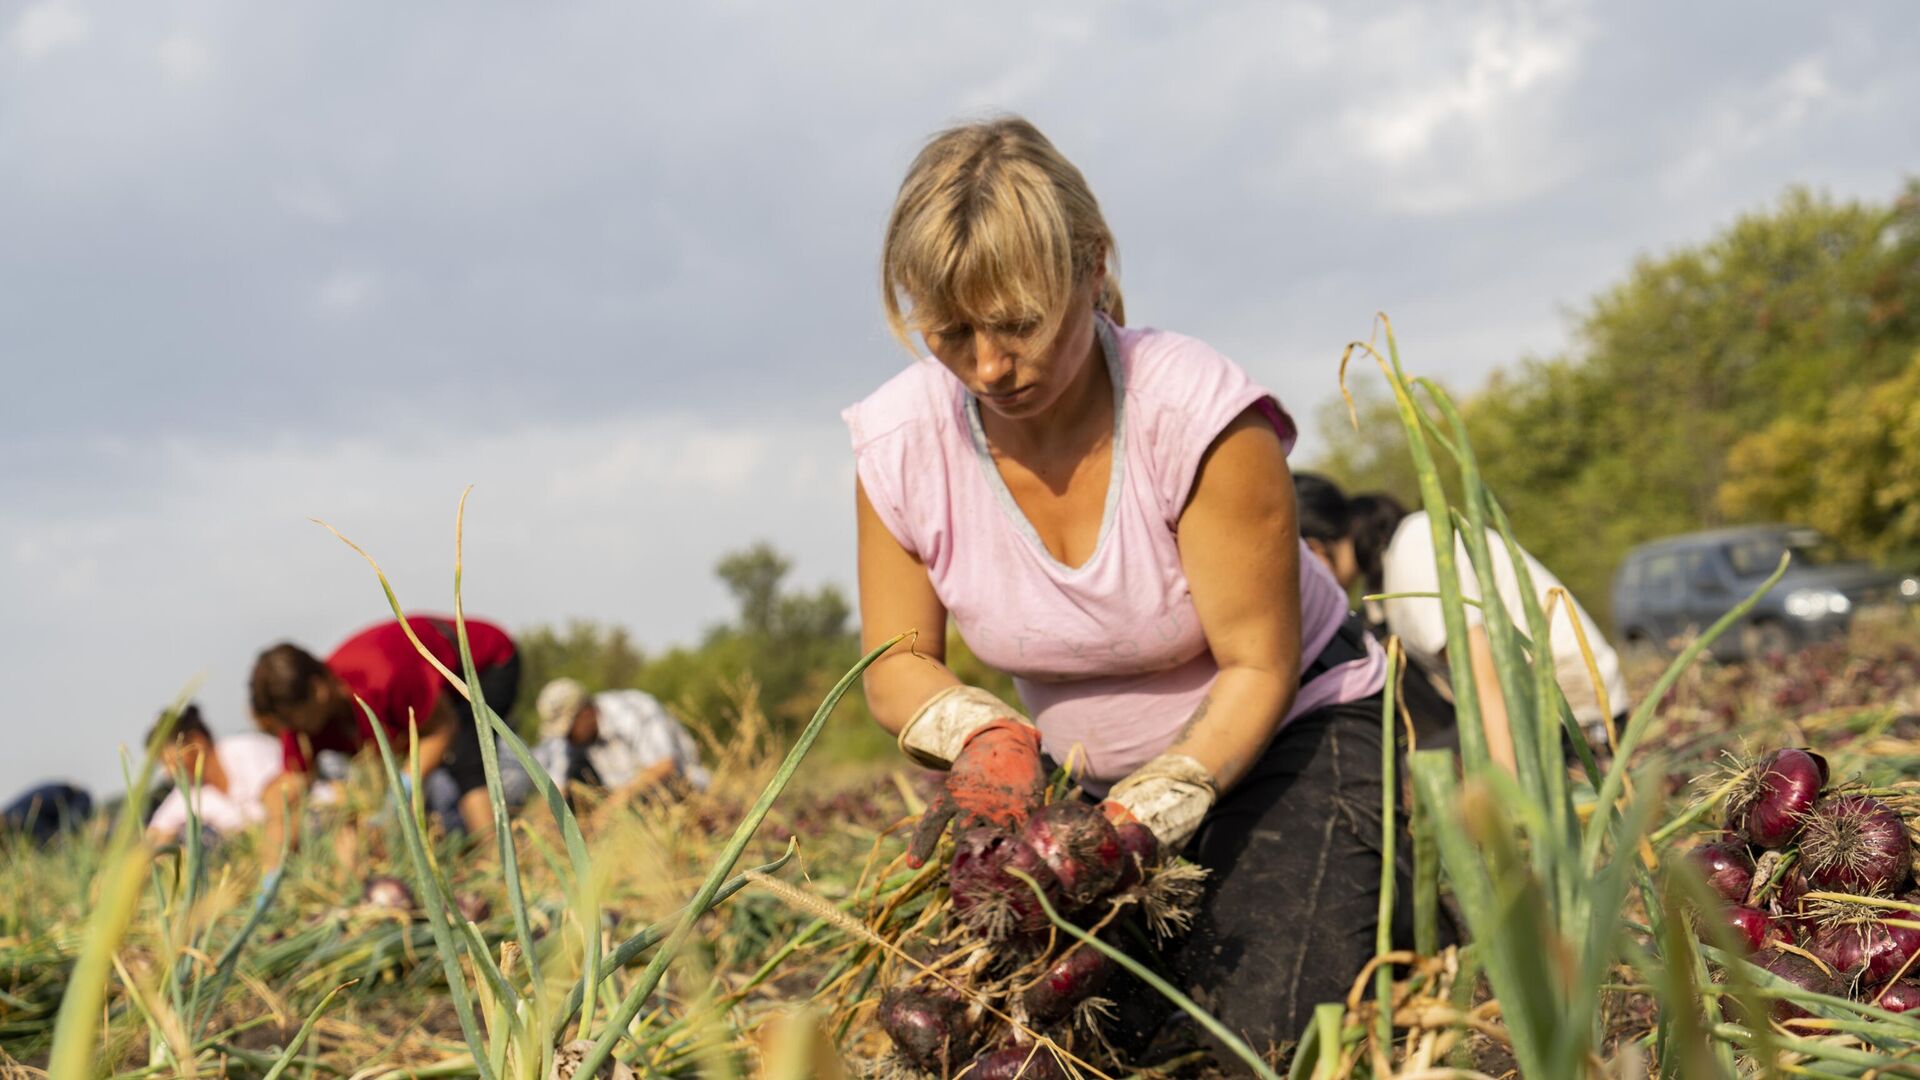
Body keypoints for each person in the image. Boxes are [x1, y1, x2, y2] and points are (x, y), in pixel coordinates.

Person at [844, 116, 1416, 1057]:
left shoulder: (1196, 414)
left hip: (1288, 741)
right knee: (1027, 1040)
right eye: (951, 333)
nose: (989, 366)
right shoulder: (899, 445)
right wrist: (980, 733)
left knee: (1241, 1046)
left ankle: (1373, 875)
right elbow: (895, 665)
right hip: (1077, 800)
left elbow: (1256, 669)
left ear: (1092, 265)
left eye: (1019, 323)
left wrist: (1147, 815)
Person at [1296, 475, 1627, 769]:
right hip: (1525, 714)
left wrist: (1512, 800)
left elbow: (1484, 679)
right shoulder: (1382, 586)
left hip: (1576, 721)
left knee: (1401, 774)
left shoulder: (1415, 552)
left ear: (1312, 551)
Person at [250, 614, 520, 853]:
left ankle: (497, 856)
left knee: (467, 754)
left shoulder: (382, 678)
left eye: (291, 718)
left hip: (485, 663)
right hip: (430, 695)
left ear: (318, 690)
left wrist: (400, 789)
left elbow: (441, 728)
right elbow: (294, 784)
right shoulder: (303, 724)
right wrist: (273, 849)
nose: (289, 729)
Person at [531, 678, 712, 796]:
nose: (567, 737)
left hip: (684, 795)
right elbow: (557, 789)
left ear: (586, 712)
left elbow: (665, 766)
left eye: (569, 729)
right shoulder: (568, 740)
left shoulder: (633, 711)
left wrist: (612, 807)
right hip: (631, 814)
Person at [145, 703, 284, 844]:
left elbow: (282, 799)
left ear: (196, 741)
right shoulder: (186, 795)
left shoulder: (246, 750)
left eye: (170, 762)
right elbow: (155, 837)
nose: (168, 772)